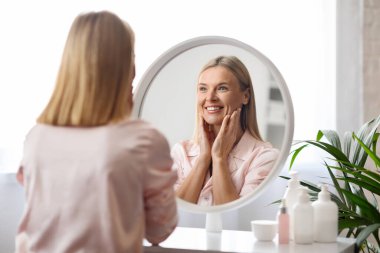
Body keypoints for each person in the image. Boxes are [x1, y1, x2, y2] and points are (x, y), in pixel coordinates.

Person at [15, 11, 177, 253]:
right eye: (131, 56)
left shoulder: (36, 138)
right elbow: (159, 231)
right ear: (126, 68)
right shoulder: (143, 140)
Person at [172, 56, 279, 206]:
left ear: (245, 96)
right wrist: (203, 158)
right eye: (203, 89)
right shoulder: (180, 152)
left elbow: (235, 220)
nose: (210, 97)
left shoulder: (265, 157)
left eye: (222, 88)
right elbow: (174, 214)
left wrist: (219, 158)